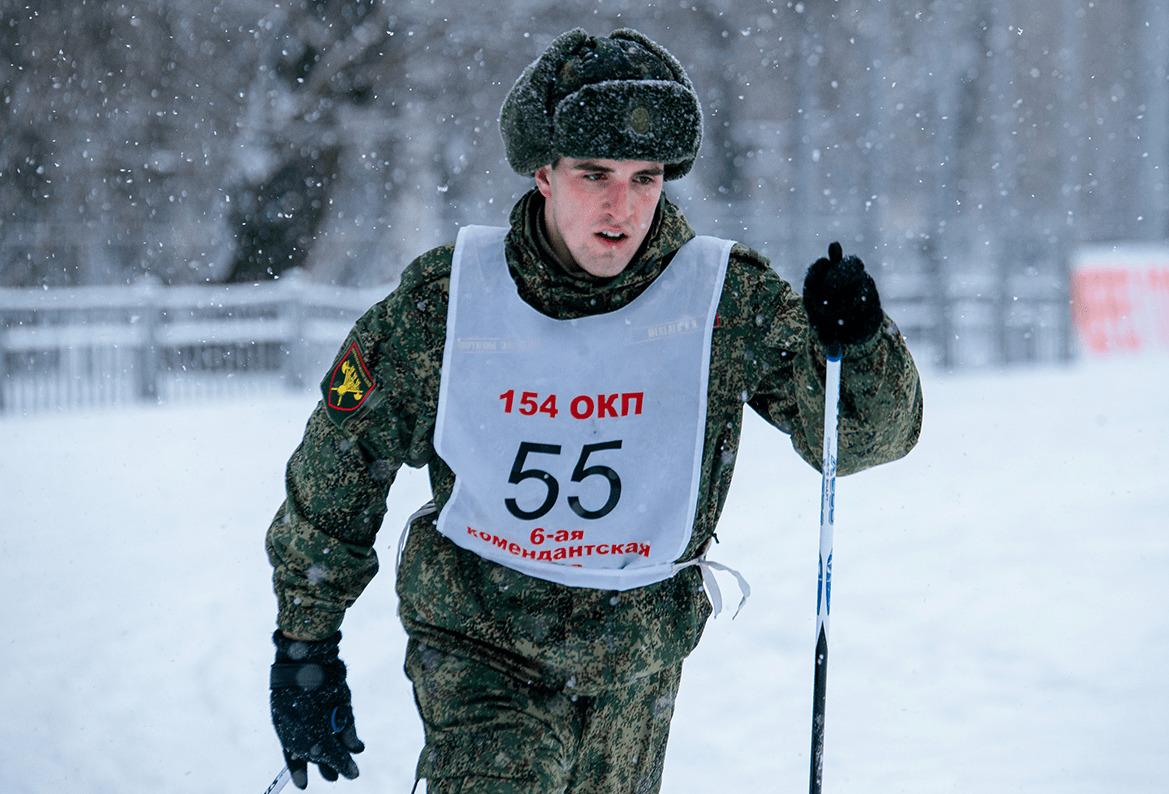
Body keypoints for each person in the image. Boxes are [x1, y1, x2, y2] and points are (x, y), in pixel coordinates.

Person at [266, 27, 923, 794]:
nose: (622, 207)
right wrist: (304, 641)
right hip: (481, 649)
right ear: (543, 173)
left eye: (646, 179)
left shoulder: (719, 301)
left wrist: (861, 342)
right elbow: (341, 458)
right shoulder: (448, 303)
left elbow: (863, 438)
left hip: (637, 659)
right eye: (594, 174)